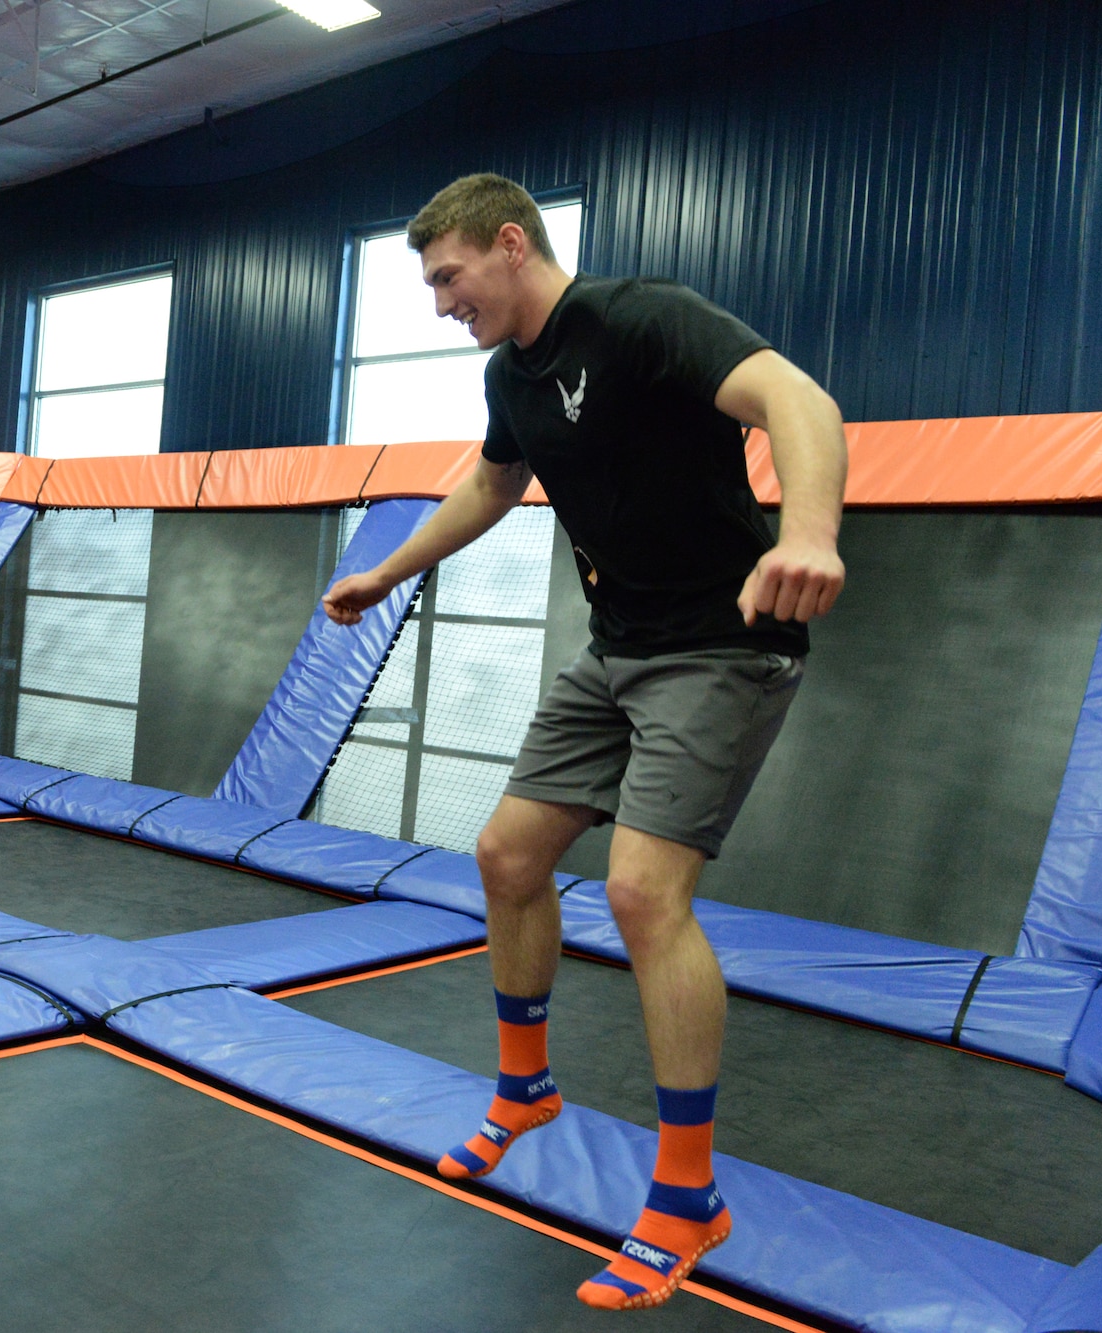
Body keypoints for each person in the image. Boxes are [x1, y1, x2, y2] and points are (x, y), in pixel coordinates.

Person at [323, 174, 847, 1310]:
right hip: (614, 648)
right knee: (508, 857)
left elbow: (798, 400)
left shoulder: (641, 319)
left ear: (509, 245)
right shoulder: (506, 374)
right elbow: (488, 485)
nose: (439, 303)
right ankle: (523, 1091)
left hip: (722, 645)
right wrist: (384, 570)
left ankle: (687, 1194)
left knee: (642, 895)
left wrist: (805, 534)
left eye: (447, 278)